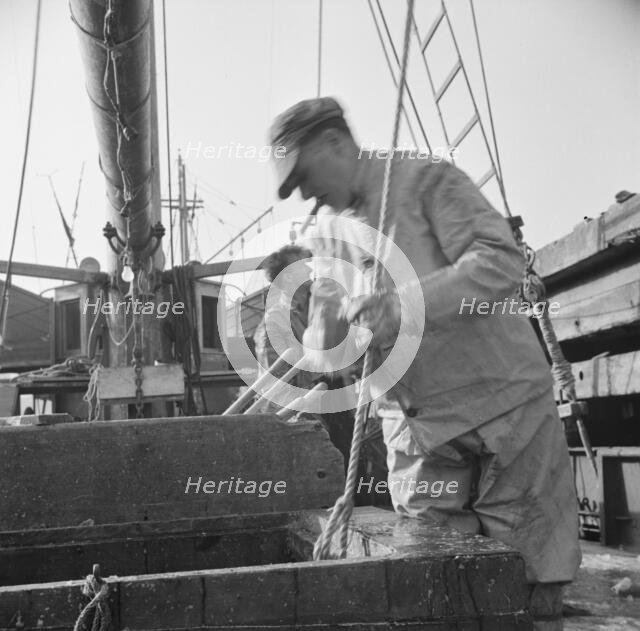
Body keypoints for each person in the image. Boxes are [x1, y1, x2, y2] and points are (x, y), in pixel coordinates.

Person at [269, 96, 580, 629]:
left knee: (531, 591)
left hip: (502, 413)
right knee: (436, 591)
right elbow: (328, 342)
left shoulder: (423, 180)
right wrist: (327, 337)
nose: (301, 192)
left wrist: (401, 304)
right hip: (416, 435)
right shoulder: (326, 235)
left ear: (335, 143)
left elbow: (499, 261)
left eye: (302, 173)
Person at [253, 243, 313, 391]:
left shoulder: (320, 311)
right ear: (288, 277)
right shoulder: (273, 324)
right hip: (293, 409)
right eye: (301, 265)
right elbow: (277, 383)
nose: (310, 269)